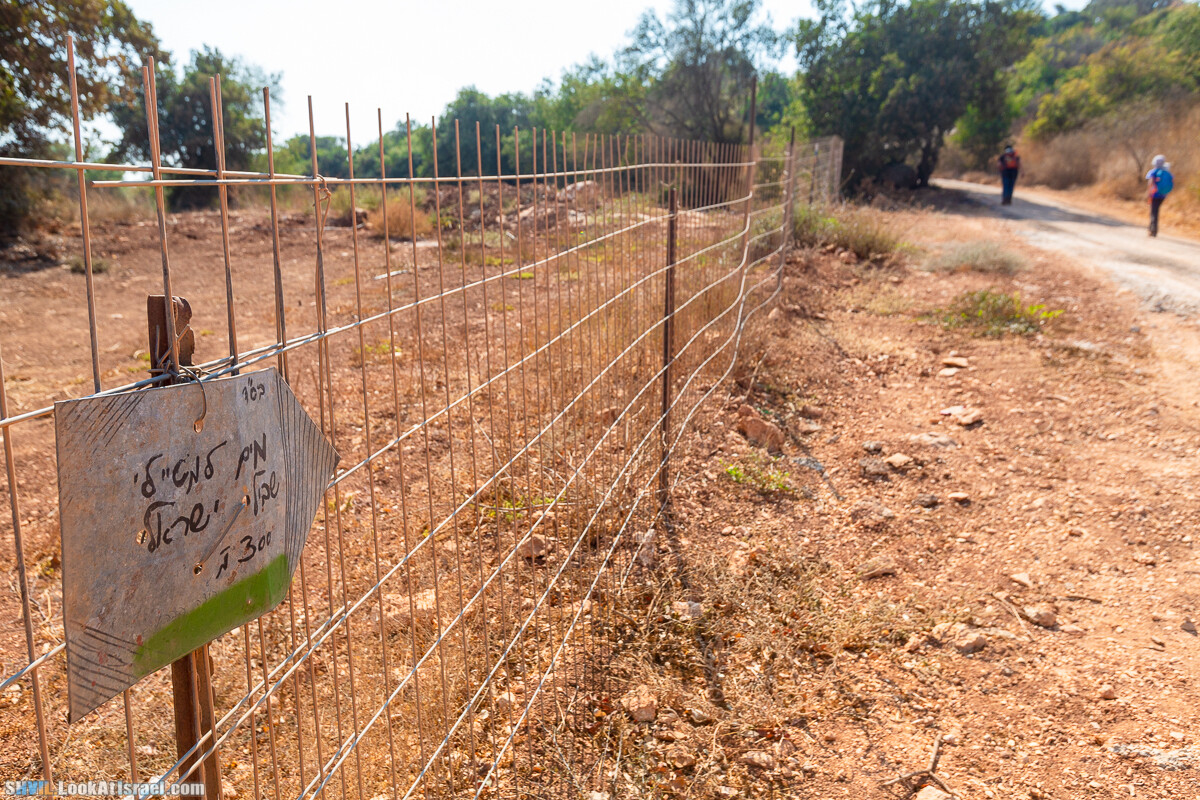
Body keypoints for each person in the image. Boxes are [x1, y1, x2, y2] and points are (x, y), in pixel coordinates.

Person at [1145, 155, 1174, 237]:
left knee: (1153, 212)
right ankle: (1152, 229)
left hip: (1154, 195)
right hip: (1163, 195)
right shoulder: (1167, 172)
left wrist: (1148, 193)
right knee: (1156, 211)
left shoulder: (1153, 172)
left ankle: (1152, 229)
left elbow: (1150, 183)